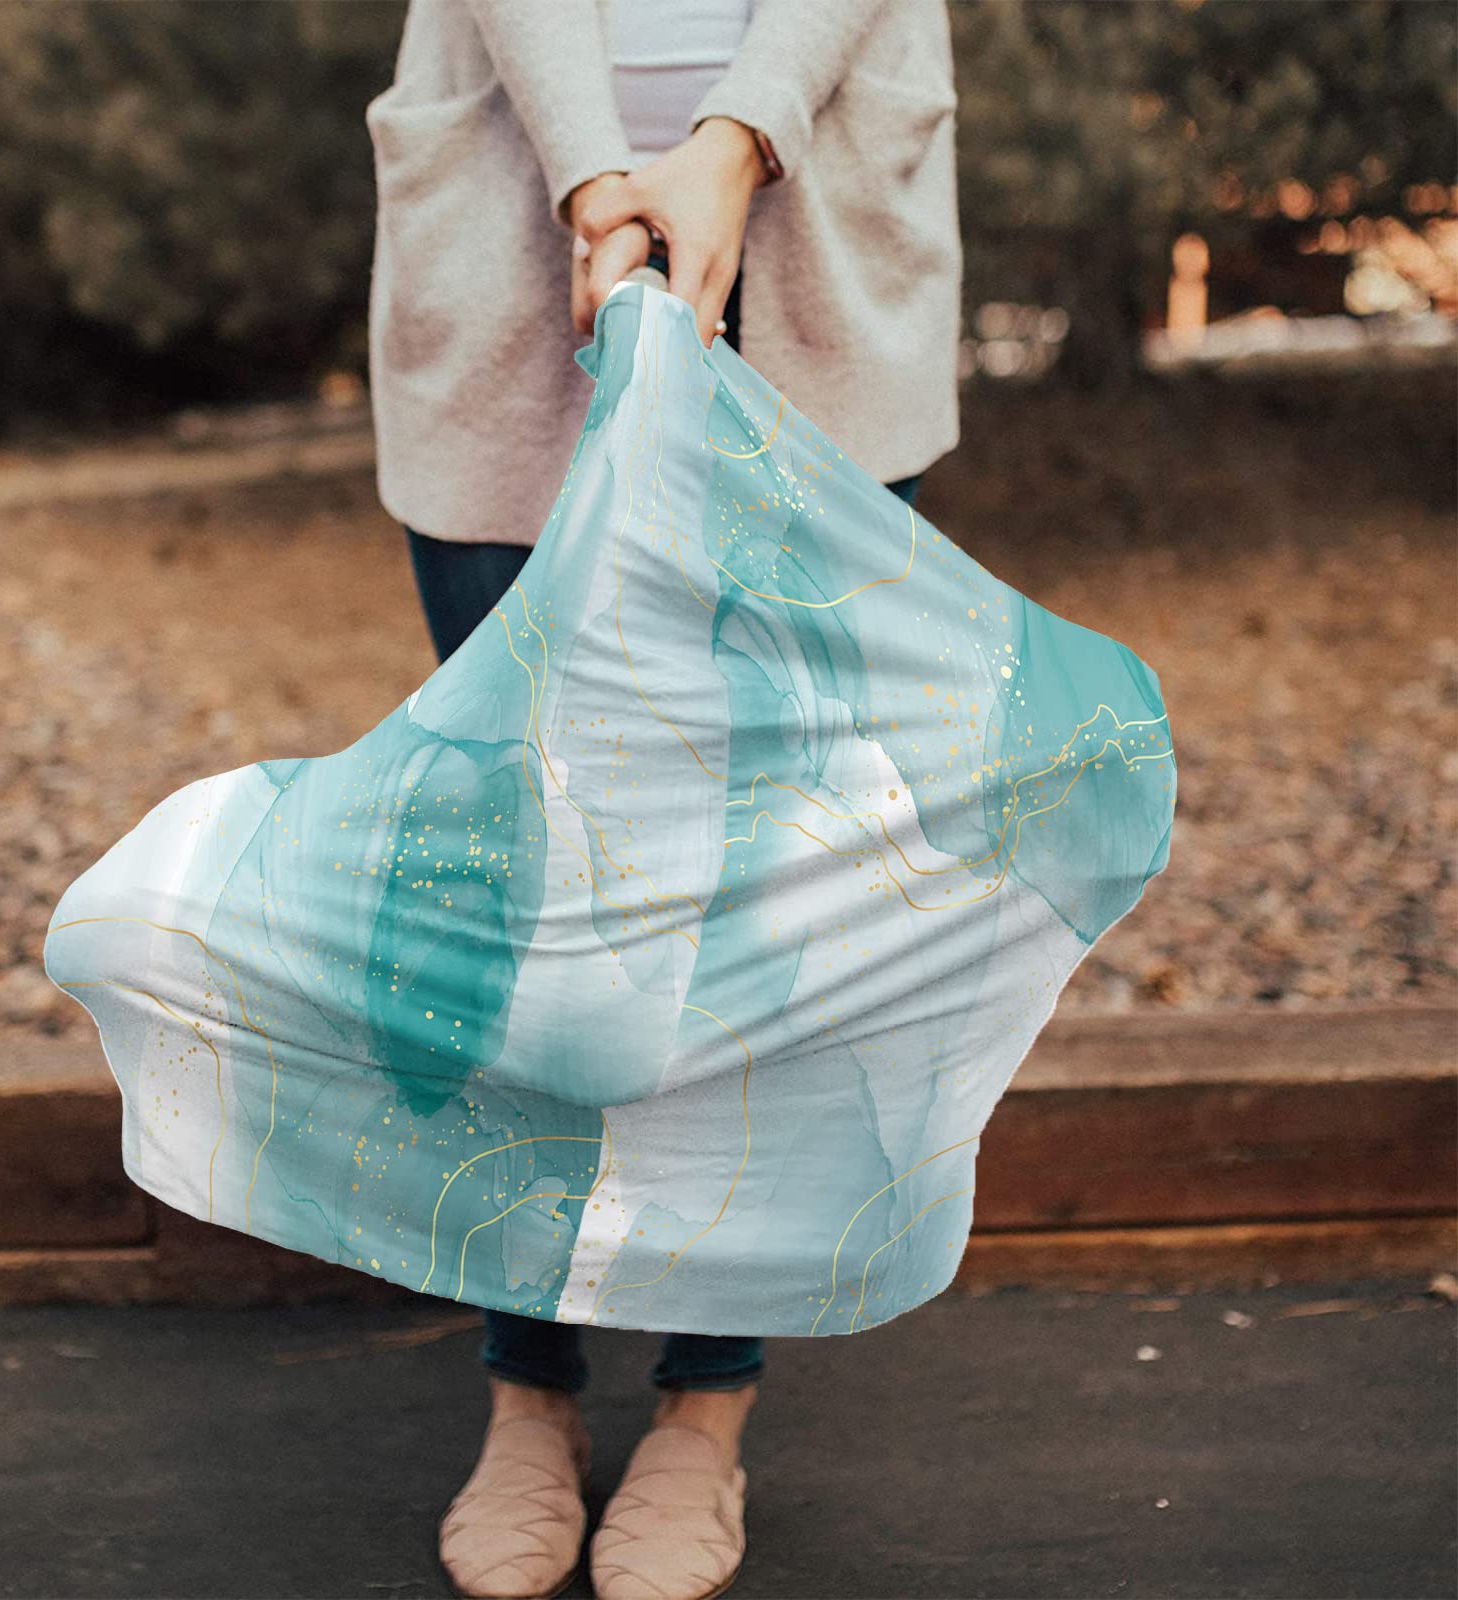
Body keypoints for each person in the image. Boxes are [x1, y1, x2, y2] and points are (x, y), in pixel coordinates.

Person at [363, 4, 961, 1596]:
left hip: (817, 222)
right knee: (526, 876)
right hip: (512, 222)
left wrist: (734, 137)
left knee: (765, 883)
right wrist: (591, 178)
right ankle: (528, 1388)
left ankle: (707, 1402)